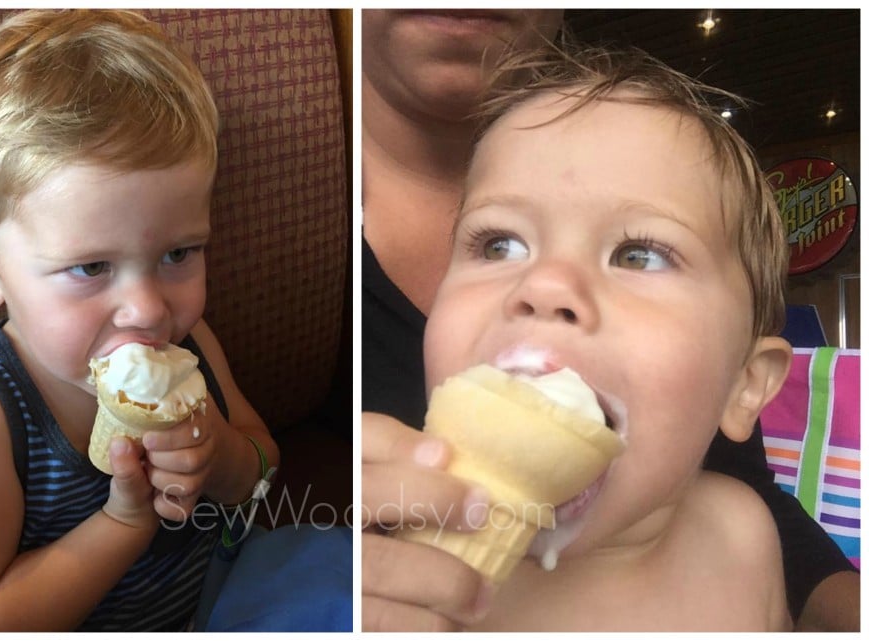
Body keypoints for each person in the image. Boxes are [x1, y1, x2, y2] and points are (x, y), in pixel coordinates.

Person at [361, 9, 859, 632]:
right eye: (498, 245)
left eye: (638, 254)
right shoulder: (399, 579)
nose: (543, 286)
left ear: (745, 385)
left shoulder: (743, 535)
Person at [0, 10, 279, 631]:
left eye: (177, 254)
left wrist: (222, 460)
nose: (149, 311)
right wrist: (123, 523)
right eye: (89, 267)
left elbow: (264, 466)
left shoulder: (190, 344)